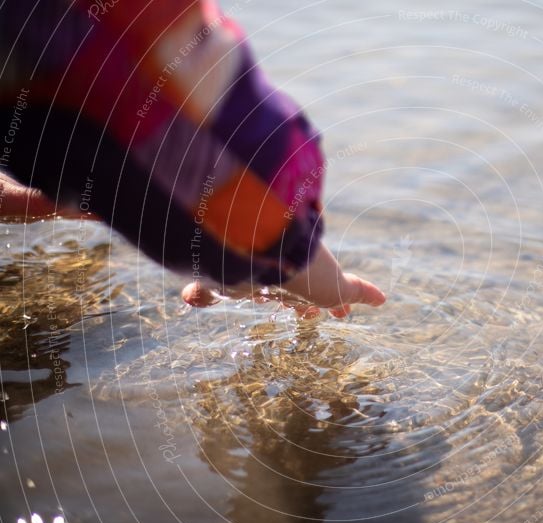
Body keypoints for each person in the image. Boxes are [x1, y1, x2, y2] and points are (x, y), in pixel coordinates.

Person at [0, 1, 385, 317]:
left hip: (148, 141)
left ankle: (233, 272)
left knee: (257, 235)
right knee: (278, 243)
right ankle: (282, 278)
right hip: (224, 159)